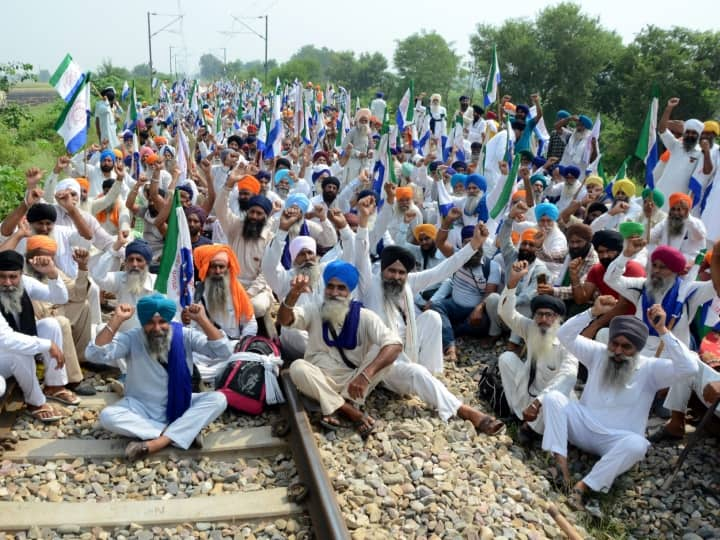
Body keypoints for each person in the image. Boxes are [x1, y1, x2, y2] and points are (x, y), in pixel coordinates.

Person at [542, 295, 698, 512]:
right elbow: (564, 335)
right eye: (614, 344)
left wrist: (663, 330)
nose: (617, 351)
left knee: (638, 445)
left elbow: (690, 368)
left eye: (626, 347)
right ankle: (561, 467)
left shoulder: (651, 369)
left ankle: (583, 487)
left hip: (613, 441)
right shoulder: (598, 353)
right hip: (581, 426)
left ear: (638, 348)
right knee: (553, 398)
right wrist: (592, 313)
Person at [86, 295, 232, 460]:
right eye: (150, 322)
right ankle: (180, 433)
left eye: (162, 321)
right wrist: (116, 320)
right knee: (108, 416)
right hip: (141, 407)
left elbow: (224, 351)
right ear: (142, 323)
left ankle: (157, 442)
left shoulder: (184, 335)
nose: (157, 328)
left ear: (169, 321)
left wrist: (203, 320)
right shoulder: (132, 338)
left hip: (181, 403)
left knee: (219, 398)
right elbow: (94, 354)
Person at [279, 262, 403, 438]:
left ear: (350, 291)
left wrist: (365, 375)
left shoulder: (365, 317)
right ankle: (348, 409)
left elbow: (395, 345)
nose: (334, 293)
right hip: (319, 377)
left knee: (385, 354)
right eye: (330, 287)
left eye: (341, 288)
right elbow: (285, 320)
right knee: (298, 367)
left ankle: (329, 404)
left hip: (352, 383)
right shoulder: (314, 309)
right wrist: (293, 294)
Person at [498, 260, 578, 442]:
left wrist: (538, 402)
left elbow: (568, 376)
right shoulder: (530, 327)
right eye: (539, 314)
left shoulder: (567, 341)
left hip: (554, 397)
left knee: (553, 399)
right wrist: (512, 284)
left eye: (549, 315)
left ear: (557, 318)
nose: (543, 319)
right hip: (530, 388)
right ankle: (518, 415)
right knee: (506, 358)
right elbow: (506, 313)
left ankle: (532, 429)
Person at [0, 250, 79, 410]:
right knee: (18, 352)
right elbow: (6, 339)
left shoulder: (26, 283)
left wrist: (51, 273)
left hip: (19, 344)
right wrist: (48, 345)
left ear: (21, 275)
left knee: (51, 324)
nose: (7, 283)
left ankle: (55, 386)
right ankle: (36, 402)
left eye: (13, 277)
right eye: (1, 277)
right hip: (4, 356)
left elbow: (60, 298)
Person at [605, 241, 715, 357]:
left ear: (674, 271)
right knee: (604, 334)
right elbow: (611, 279)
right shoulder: (641, 286)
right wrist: (625, 255)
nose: (656, 271)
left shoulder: (689, 290)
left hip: (671, 354)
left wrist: (712, 263)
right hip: (639, 350)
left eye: (663, 267)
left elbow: (715, 286)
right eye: (654, 265)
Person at [190, 244, 256, 340]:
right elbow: (191, 326)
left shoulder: (237, 291)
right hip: (204, 348)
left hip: (234, 346)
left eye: (221, 267)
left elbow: (250, 322)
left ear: (227, 268)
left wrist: (243, 344)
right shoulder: (197, 293)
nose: (217, 271)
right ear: (206, 268)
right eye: (213, 267)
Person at [655, 98, 706, 209]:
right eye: (688, 132)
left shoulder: (701, 154)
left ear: (699, 135)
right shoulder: (675, 146)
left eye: (694, 133)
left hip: (678, 202)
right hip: (660, 195)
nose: (690, 135)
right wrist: (669, 108)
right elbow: (662, 130)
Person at [648, 192, 706, 264]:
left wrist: (687, 219)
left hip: (686, 263)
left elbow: (699, 236)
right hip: (665, 261)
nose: (675, 212)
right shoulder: (666, 221)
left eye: (679, 209)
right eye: (673, 209)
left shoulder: (696, 223)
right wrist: (648, 217)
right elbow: (650, 237)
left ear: (686, 210)